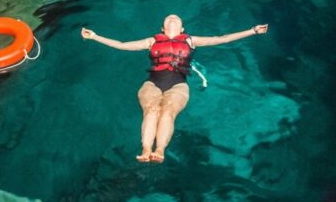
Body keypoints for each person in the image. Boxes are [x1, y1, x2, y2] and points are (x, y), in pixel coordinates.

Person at [81, 15, 268, 163]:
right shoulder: (151, 41)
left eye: (176, 19)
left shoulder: (191, 40)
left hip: (178, 84)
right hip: (153, 82)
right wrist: (95, 36)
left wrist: (252, 31)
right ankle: (146, 149)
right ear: (162, 28)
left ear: (182, 29)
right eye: (169, 18)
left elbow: (222, 39)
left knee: (167, 112)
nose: (172, 18)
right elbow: (122, 45)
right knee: (151, 110)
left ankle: (159, 150)